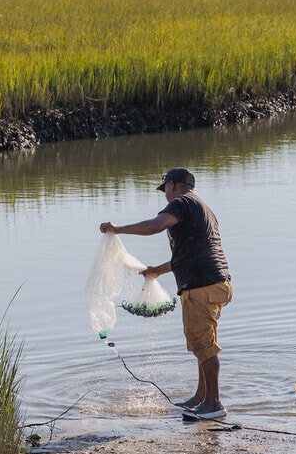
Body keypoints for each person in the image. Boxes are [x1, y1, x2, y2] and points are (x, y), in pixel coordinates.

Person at [99, 167, 232, 420]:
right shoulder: (203, 208)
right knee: (202, 342)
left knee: (203, 344)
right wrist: (157, 271)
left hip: (201, 285)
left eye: (165, 191)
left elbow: (156, 225)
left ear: (171, 185)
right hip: (217, 282)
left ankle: (213, 404)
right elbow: (192, 252)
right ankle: (200, 398)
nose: (165, 197)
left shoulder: (181, 203)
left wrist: (118, 229)